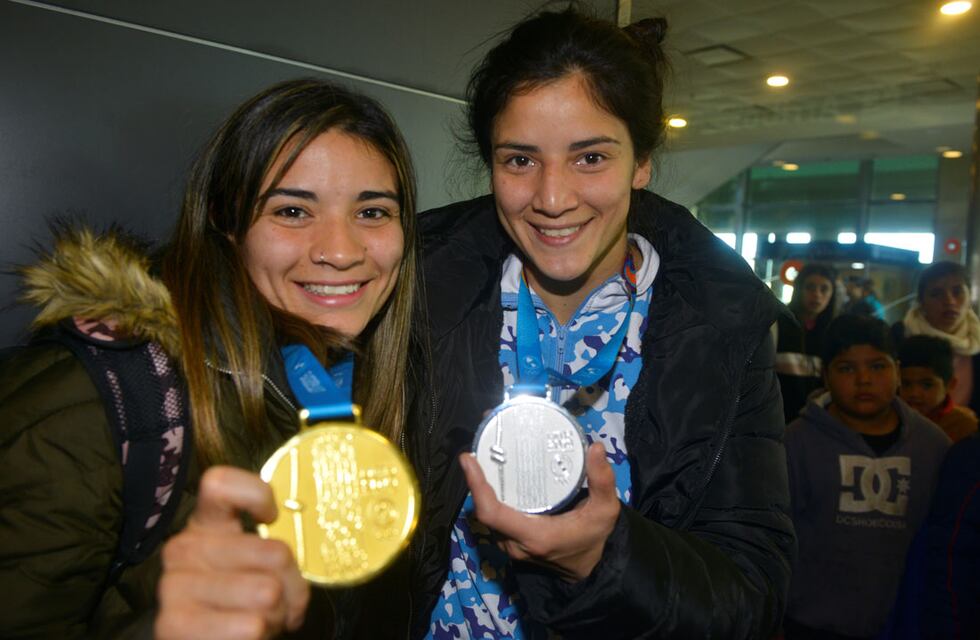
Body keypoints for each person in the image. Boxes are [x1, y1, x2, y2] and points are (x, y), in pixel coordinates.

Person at [408, 9, 794, 638]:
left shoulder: (721, 326)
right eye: (520, 160)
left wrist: (602, 559)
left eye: (590, 157)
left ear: (642, 162)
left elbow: (751, 591)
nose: (552, 198)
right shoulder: (418, 293)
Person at [0, 78, 420, 639]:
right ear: (225, 223)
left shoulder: (370, 381)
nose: (341, 251)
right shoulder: (98, 398)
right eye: (293, 211)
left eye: (372, 212)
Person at [784, 314, 949, 639]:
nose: (863, 380)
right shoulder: (794, 443)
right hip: (807, 623)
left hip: (905, 625)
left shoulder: (933, 446)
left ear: (897, 371)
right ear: (825, 376)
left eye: (877, 366)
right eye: (847, 368)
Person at [894, 261, 980, 415]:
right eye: (936, 294)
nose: (949, 301)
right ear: (921, 302)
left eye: (957, 292)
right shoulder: (899, 338)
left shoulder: (977, 340)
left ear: (969, 297)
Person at [775, 263, 838, 423]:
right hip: (777, 416)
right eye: (810, 287)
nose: (817, 294)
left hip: (815, 421)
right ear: (799, 289)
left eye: (824, 289)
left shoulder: (833, 332)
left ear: (832, 294)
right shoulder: (778, 323)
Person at [898, 334, 978, 443]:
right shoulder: (891, 419)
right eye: (906, 384)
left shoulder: (964, 426)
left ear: (950, 385)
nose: (914, 393)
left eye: (927, 385)